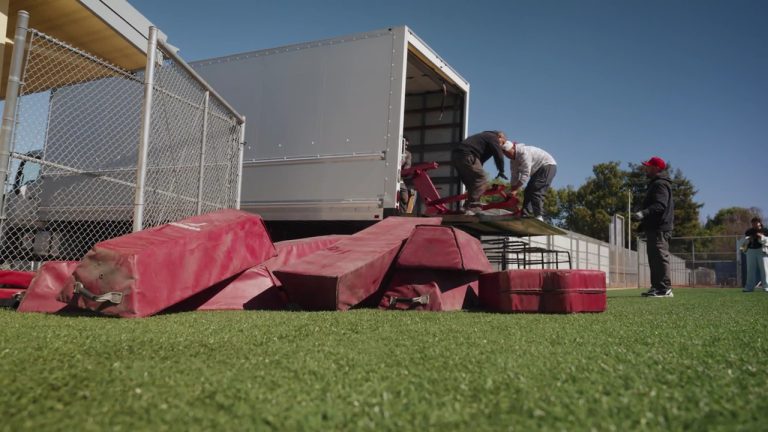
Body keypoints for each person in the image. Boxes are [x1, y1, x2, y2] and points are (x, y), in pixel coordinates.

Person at [632, 156, 675, 298]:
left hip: (660, 228)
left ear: (656, 168)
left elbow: (659, 206)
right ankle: (657, 286)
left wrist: (642, 214)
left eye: (649, 166)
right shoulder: (655, 183)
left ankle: (664, 288)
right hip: (654, 227)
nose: (646, 168)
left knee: (660, 257)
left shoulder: (660, 184)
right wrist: (643, 225)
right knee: (654, 258)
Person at [451, 131, 512, 214]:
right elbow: (499, 155)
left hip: (456, 156)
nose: (501, 145)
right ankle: (473, 206)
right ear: (500, 137)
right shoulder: (493, 137)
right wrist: (501, 170)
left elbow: (480, 161)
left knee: (473, 184)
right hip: (468, 155)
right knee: (482, 179)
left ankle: (465, 208)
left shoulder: (483, 137)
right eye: (503, 142)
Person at [506, 141, 557, 220]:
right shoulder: (513, 161)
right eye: (505, 154)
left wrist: (516, 189)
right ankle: (524, 214)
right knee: (528, 191)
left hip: (548, 165)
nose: (508, 156)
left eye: (508, 153)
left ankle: (539, 216)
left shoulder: (524, 153)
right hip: (537, 169)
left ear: (513, 149)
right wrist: (512, 190)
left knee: (537, 190)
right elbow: (514, 176)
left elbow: (526, 173)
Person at [740, 216, 768, 292]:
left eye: (756, 223)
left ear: (759, 223)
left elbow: (767, 241)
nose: (754, 225)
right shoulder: (749, 231)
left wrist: (762, 237)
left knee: (764, 270)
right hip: (751, 251)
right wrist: (748, 239)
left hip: (762, 251)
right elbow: (744, 241)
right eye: (753, 223)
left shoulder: (765, 230)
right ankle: (749, 287)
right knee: (750, 270)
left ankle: (766, 287)